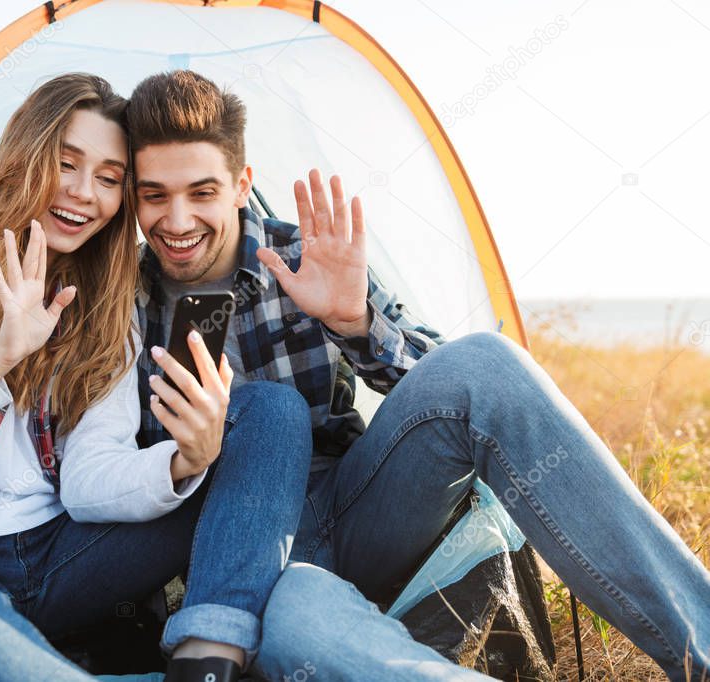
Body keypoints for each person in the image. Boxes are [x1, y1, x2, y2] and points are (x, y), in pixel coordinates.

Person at [125, 70, 710, 681]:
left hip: (361, 504)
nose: (177, 219)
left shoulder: (307, 254)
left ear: (242, 185)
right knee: (300, 621)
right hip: (249, 564)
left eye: (201, 192)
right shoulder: (122, 301)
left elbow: (435, 386)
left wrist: (356, 322)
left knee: (484, 363)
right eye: (155, 195)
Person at [0, 73, 311, 682]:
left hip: (63, 551)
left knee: (268, 412)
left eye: (109, 179)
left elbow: (86, 481)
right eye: (67, 164)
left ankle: (205, 662)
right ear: (26, 154)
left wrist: (184, 462)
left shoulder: (107, 305)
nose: (84, 193)